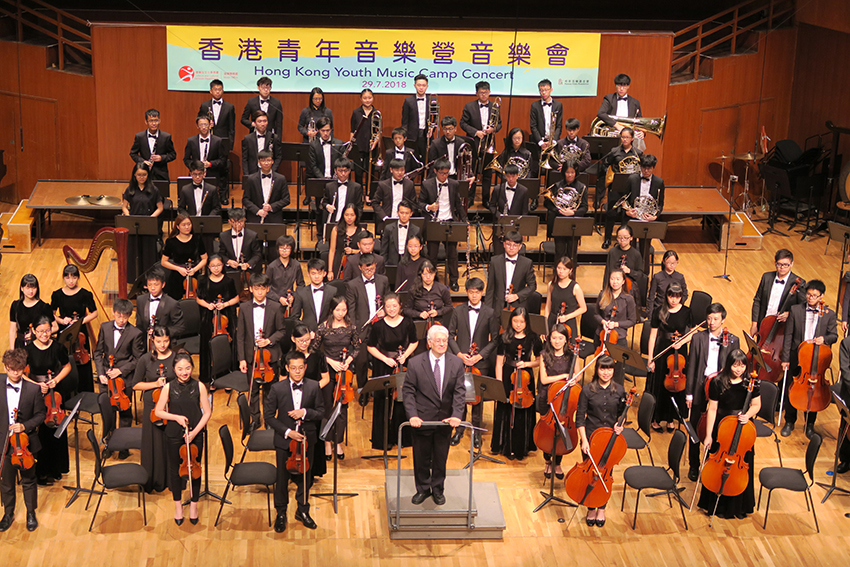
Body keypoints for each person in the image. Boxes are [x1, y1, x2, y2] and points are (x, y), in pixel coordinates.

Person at [402, 324, 466, 506]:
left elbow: (459, 392)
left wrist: (457, 415)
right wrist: (412, 415)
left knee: (440, 458)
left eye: (444, 340)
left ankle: (438, 489)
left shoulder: (456, 363)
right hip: (421, 420)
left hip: (445, 420)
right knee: (421, 457)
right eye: (438, 340)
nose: (442, 344)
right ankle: (422, 489)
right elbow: (408, 391)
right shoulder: (415, 363)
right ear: (429, 342)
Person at [697, 349, 761, 520]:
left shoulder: (751, 382)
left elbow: (756, 404)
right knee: (717, 465)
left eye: (742, 366)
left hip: (743, 428)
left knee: (742, 465)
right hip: (722, 428)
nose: (739, 369)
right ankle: (714, 504)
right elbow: (712, 409)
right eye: (735, 365)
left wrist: (747, 415)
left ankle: (739, 506)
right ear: (729, 365)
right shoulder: (718, 382)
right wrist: (708, 435)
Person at [265, 350, 325, 533]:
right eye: (293, 368)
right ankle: (281, 513)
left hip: (307, 439)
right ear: (287, 368)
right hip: (285, 441)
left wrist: (305, 412)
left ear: (305, 367)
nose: (297, 372)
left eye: (300, 368)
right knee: (282, 478)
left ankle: (302, 510)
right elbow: (269, 416)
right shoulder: (277, 388)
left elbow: (321, 412)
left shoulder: (314, 386)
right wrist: (288, 432)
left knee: (306, 477)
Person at [155, 351, 211, 526]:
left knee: (195, 469)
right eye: (180, 369)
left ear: (192, 368)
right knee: (175, 471)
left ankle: (194, 506)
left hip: (195, 433)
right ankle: (178, 506)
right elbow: (158, 411)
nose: (184, 372)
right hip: (174, 433)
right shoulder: (168, 387)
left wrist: (194, 433)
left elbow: (207, 413)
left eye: (187, 368)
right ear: (174, 369)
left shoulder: (199, 386)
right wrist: (176, 418)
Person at [685, 303, 740, 480]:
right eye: (709, 318)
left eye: (716, 319)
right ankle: (694, 465)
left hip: (721, 387)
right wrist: (689, 393)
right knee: (695, 427)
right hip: (701, 385)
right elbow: (692, 366)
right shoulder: (698, 338)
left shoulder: (733, 340)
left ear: (723, 320)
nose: (712, 322)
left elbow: (734, 368)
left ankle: (712, 463)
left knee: (718, 428)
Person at [780, 279, 838, 438]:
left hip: (816, 360)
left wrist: (824, 339)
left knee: (814, 390)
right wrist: (785, 358)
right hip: (797, 357)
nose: (811, 298)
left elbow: (834, 335)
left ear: (822, 296)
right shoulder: (795, 310)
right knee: (791, 389)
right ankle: (789, 421)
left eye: (814, 296)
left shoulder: (829, 314)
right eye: (809, 295)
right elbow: (788, 336)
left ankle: (810, 424)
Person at [575, 354, 626, 527]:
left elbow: (622, 414)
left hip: (610, 438)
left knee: (607, 474)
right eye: (603, 368)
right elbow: (580, 418)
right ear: (597, 370)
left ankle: (602, 507)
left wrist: (620, 425)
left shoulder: (619, 390)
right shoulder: (587, 390)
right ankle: (591, 507)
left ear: (613, 370)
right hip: (591, 437)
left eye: (609, 368)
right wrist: (584, 441)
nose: (606, 372)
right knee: (590, 474)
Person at [448, 277, 499, 448]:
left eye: (477, 292)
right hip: (460, 361)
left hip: (479, 363)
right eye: (471, 292)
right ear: (467, 292)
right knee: (460, 397)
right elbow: (450, 334)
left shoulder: (490, 312)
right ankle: (459, 429)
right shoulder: (458, 310)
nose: (474, 295)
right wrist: (459, 354)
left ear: (482, 293)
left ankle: (476, 432)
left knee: (477, 400)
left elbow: (495, 339)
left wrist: (480, 356)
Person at [24, 315, 74, 486]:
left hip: (55, 392)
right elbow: (22, 373)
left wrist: (56, 380)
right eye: (40, 331)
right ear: (34, 331)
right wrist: (37, 385)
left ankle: (56, 468)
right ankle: (41, 471)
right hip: (37, 392)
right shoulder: (28, 349)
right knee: (41, 432)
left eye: (47, 331)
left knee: (57, 428)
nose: (44, 334)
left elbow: (67, 366)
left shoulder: (58, 347)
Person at [0, 348, 45, 532]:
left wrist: (24, 426)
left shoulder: (33, 389)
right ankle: (8, 513)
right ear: (5, 367)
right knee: (6, 481)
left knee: (29, 480)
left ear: (24, 368)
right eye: (11, 369)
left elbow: (41, 415)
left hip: (25, 444)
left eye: (19, 369)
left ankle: (31, 513)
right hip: (3, 443)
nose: (15, 373)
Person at [310, 295, 360, 459]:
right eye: (338, 309)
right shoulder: (323, 327)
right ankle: (326, 441)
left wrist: (348, 361)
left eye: (344, 310)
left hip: (345, 372)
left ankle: (338, 442)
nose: (341, 313)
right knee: (327, 406)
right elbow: (314, 350)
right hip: (327, 370)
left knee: (342, 408)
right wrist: (330, 361)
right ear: (332, 309)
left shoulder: (351, 328)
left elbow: (356, 348)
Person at [93, 298, 144, 458]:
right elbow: (98, 353)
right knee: (108, 413)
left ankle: (124, 447)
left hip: (124, 379)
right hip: (105, 378)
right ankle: (109, 444)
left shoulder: (135, 333)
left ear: (130, 315)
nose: (121, 320)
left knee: (125, 414)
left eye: (125, 316)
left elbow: (138, 359)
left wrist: (120, 371)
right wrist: (100, 373)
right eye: (119, 315)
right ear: (113, 312)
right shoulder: (104, 327)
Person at [366, 293, 418, 451]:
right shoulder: (378, 326)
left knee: (402, 400)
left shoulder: (408, 323)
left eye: (394, 306)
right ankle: (382, 439)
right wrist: (385, 359)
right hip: (384, 364)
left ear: (400, 306)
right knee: (383, 401)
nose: (392, 309)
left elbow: (414, 342)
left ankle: (401, 437)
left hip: (403, 364)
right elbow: (370, 347)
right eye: (388, 306)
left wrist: (405, 356)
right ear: (384, 307)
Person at [237, 274, 287, 426]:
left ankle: (269, 420)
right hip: (251, 355)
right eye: (256, 289)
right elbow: (240, 335)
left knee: (269, 391)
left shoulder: (276, 307)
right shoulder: (244, 308)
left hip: (269, 356)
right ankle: (255, 420)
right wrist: (242, 359)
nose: (259, 292)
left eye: (262, 289)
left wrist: (268, 340)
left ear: (268, 289)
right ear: (251, 289)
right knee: (252, 391)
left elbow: (282, 330)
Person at [492, 307, 541, 460]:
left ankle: (522, 447)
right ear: (511, 321)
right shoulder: (504, 337)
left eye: (521, 322)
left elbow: (539, 361)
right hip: (509, 376)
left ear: (526, 322)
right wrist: (499, 385)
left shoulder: (533, 338)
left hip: (525, 378)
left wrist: (526, 364)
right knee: (506, 409)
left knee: (523, 410)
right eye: (515, 321)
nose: (518, 325)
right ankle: (506, 446)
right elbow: (499, 363)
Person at [132, 325, 176, 493]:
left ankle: (171, 479)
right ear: (153, 341)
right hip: (152, 407)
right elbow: (136, 385)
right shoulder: (145, 359)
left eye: (165, 341)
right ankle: (153, 479)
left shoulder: (176, 358)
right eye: (158, 341)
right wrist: (155, 384)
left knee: (169, 442)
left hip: (172, 405)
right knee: (154, 443)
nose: (162, 345)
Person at [646, 284, 692, 432]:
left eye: (677, 297)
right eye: (671, 296)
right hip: (663, 349)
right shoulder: (659, 311)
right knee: (660, 384)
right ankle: (656, 419)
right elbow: (653, 336)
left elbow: (693, 333)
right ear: (666, 296)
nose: (674, 300)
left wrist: (682, 342)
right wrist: (650, 358)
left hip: (679, 351)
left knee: (676, 385)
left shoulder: (687, 312)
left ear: (681, 297)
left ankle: (671, 418)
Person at [286, 325, 330, 474]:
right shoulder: (288, 357)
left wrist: (311, 390)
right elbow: (282, 380)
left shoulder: (318, 356)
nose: (304, 344)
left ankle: (312, 471)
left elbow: (326, 378)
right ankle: (292, 468)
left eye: (306, 340)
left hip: (312, 400)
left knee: (313, 436)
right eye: (300, 341)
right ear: (293, 339)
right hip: (293, 399)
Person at [419, 158, 467, 291]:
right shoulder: (427, 184)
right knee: (432, 255)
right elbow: (420, 203)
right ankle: (432, 279)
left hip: (449, 221)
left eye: (447, 173)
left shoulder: (454, 184)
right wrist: (429, 207)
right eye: (442, 173)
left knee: (452, 254)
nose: (444, 176)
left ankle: (454, 280)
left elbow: (458, 204)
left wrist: (465, 220)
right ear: (435, 171)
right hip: (434, 222)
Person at [538, 323, 578, 479]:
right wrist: (563, 377)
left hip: (564, 399)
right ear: (549, 339)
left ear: (566, 339)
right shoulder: (544, 355)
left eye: (560, 338)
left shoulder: (572, 355)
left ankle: (558, 463)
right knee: (548, 431)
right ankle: (548, 461)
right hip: (547, 397)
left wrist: (573, 379)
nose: (557, 341)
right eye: (554, 338)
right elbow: (544, 379)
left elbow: (577, 375)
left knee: (562, 430)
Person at [346, 252, 390, 390]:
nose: (370, 272)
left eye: (372, 269)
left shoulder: (383, 280)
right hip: (362, 328)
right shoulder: (352, 285)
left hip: (380, 326)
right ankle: (363, 390)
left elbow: (388, 300)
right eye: (367, 270)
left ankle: (378, 389)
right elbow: (351, 311)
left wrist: (385, 311)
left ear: (376, 266)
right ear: (360, 267)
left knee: (380, 360)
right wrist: (355, 332)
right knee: (361, 362)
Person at [51, 265, 98, 392]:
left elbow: (94, 313)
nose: (71, 281)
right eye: (67, 278)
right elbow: (52, 314)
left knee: (83, 360)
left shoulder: (85, 294)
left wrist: (81, 321)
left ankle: (85, 391)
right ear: (63, 278)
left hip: (80, 331)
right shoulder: (57, 295)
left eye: (74, 277)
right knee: (64, 358)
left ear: (78, 278)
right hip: (64, 330)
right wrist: (62, 320)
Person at [195, 255, 238, 384]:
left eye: (218, 265)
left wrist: (225, 304)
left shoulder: (229, 281)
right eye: (213, 266)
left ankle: (228, 377)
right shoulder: (203, 281)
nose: (216, 268)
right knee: (208, 347)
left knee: (227, 346)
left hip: (226, 318)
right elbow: (198, 299)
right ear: (208, 267)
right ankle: (210, 377)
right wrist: (207, 305)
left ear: (223, 265)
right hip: (208, 318)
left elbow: (236, 298)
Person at [460, 81, 502, 208]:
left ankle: (486, 200)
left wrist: (493, 129)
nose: (483, 94)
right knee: (471, 171)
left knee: (487, 173)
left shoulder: (495, 107)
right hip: (474, 142)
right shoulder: (469, 106)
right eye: (481, 92)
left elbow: (499, 124)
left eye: (486, 92)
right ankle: (470, 198)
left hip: (489, 143)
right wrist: (475, 132)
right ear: (476, 93)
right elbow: (463, 123)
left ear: (489, 92)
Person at [121, 163, 164, 282]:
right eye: (139, 175)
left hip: (148, 226)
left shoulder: (154, 190)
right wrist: (128, 217)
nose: (141, 177)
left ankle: (148, 280)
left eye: (144, 175)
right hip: (133, 226)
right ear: (134, 175)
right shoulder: (130, 189)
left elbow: (160, 208)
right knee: (133, 253)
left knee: (148, 253)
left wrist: (150, 219)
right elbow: (124, 206)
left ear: (148, 175)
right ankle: (133, 280)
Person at [749, 248, 806, 338]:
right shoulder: (766, 277)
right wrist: (754, 324)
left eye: (786, 265)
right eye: (779, 264)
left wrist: (789, 314)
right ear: (775, 263)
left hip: (782, 329)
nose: (782, 267)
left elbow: (803, 307)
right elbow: (757, 300)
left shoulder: (799, 283)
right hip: (763, 325)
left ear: (792, 264)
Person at [601, 128, 643, 248]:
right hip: (616, 186)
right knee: (611, 213)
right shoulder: (614, 151)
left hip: (630, 188)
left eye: (627, 137)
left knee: (626, 214)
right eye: (623, 137)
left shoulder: (638, 153)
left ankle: (624, 240)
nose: (624, 139)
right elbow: (605, 164)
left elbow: (639, 169)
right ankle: (607, 239)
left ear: (632, 138)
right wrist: (611, 175)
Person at [594, 269, 637, 386]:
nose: (615, 282)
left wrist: (616, 324)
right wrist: (603, 322)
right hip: (602, 336)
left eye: (618, 279)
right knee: (600, 368)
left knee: (618, 371)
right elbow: (596, 314)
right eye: (612, 279)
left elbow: (632, 320)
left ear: (623, 281)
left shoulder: (628, 299)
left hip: (619, 339)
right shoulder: (603, 294)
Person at [484, 231, 541, 313]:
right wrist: (487, 311)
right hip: (498, 306)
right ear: (504, 244)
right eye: (508, 244)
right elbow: (490, 289)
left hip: (517, 307)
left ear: (520, 246)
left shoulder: (526, 263)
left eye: (515, 245)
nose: (511, 248)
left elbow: (532, 286)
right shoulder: (495, 261)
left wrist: (517, 296)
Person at [544, 161, 589, 262]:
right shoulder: (557, 186)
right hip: (559, 221)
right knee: (559, 252)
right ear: (563, 172)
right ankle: (558, 271)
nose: (570, 175)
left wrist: (573, 213)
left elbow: (584, 207)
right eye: (567, 172)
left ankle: (572, 271)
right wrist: (559, 210)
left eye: (572, 172)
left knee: (572, 253)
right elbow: (547, 204)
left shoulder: (582, 188)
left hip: (574, 222)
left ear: (576, 173)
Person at [160, 210, 208, 301]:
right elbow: (163, 262)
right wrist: (178, 269)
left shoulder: (197, 239)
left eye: (189, 224)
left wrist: (194, 269)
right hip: (177, 276)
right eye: (184, 225)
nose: (187, 227)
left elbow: (204, 258)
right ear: (178, 226)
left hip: (194, 274)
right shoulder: (171, 242)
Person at [135, 267, 185, 348]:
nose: (152, 288)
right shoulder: (141, 300)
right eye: (149, 285)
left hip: (165, 344)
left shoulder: (172, 303)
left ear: (163, 284)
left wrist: (161, 332)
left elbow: (180, 328)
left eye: (156, 284)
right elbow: (139, 325)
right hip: (145, 344)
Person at [597, 73, 644, 149]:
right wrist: (616, 125)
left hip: (628, 139)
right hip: (612, 137)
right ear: (615, 86)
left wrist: (642, 132)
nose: (621, 89)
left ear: (628, 86)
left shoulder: (635, 102)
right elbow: (600, 113)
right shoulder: (609, 98)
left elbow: (640, 122)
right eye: (619, 85)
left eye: (624, 86)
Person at [243, 149, 290, 224]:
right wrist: (257, 211)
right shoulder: (251, 179)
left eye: (268, 160)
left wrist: (271, 207)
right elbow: (245, 200)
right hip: (255, 217)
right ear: (259, 162)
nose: (266, 163)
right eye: (263, 161)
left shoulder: (281, 179)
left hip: (274, 217)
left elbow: (286, 199)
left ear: (272, 161)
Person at [544, 257, 586, 339]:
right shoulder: (551, 285)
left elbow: (583, 308)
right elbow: (548, 306)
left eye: (564, 269)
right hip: (552, 321)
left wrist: (567, 317)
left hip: (568, 323)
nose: (561, 271)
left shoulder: (575, 287)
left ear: (570, 270)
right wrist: (545, 327)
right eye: (559, 268)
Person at [182, 115, 227, 192]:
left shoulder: (218, 141)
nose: (203, 127)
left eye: (206, 124)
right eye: (201, 125)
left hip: (212, 174)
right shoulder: (191, 141)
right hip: (196, 176)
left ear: (210, 125)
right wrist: (196, 167)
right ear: (197, 126)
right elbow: (186, 159)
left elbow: (222, 160)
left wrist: (210, 164)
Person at [9, 274, 54, 350]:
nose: (31, 291)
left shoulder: (44, 307)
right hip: (20, 344)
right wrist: (12, 351)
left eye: (33, 288)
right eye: (28, 288)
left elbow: (55, 327)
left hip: (38, 344)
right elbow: (12, 330)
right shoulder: (15, 305)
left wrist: (37, 333)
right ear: (22, 288)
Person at [321, 158, 363, 239]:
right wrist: (327, 206)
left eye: (345, 171)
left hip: (350, 223)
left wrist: (355, 221)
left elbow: (359, 207)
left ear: (349, 171)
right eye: (340, 171)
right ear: (335, 171)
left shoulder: (356, 187)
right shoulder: (329, 186)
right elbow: (324, 202)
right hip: (334, 221)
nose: (343, 174)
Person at [603, 224, 644, 307]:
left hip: (629, 290)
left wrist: (629, 271)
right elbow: (607, 272)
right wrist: (605, 291)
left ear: (631, 238)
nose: (622, 240)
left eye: (626, 238)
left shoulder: (636, 254)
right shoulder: (612, 252)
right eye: (619, 237)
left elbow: (640, 275)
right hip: (613, 287)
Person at [129, 108, 175, 181]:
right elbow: (133, 153)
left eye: (156, 120)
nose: (154, 123)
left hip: (161, 175)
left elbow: (173, 155)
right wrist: (142, 161)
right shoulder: (139, 137)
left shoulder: (166, 137)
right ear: (146, 122)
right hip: (144, 174)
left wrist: (161, 158)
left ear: (159, 121)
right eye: (151, 121)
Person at [403, 260, 452, 327]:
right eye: (425, 274)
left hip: (438, 324)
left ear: (435, 274)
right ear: (421, 274)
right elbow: (406, 310)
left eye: (431, 274)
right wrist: (419, 314)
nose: (428, 277)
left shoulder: (442, 289)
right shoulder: (413, 290)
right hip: (420, 323)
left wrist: (438, 312)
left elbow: (449, 307)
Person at [291, 259, 337, 330]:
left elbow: (336, 314)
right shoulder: (301, 292)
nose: (317, 276)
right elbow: (294, 317)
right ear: (308, 274)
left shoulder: (332, 291)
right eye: (313, 273)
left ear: (324, 274)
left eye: (319, 273)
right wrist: (305, 331)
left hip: (328, 332)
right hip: (308, 333)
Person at [349, 88, 380, 187]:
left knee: (370, 172)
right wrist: (352, 145)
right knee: (358, 172)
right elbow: (352, 130)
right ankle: (358, 193)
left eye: (369, 98)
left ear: (373, 98)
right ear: (361, 99)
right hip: (358, 146)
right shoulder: (356, 112)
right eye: (365, 98)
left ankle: (368, 192)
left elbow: (378, 132)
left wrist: (375, 143)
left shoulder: (376, 113)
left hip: (371, 147)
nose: (367, 100)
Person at [373, 161, 417, 230]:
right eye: (397, 170)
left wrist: (408, 215)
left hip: (405, 221)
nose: (400, 173)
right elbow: (375, 203)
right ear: (391, 170)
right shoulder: (383, 184)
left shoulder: (410, 184)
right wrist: (384, 217)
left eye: (402, 170)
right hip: (387, 220)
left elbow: (413, 203)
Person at [218, 207, 262, 275]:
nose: (238, 224)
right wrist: (228, 261)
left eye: (241, 221)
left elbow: (257, 254)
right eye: (235, 222)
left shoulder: (252, 235)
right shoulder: (223, 236)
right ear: (230, 221)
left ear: (245, 219)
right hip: (230, 270)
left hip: (248, 270)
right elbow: (221, 254)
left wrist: (248, 264)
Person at [401, 74, 435, 160]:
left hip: (426, 135)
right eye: (419, 85)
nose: (421, 88)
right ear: (415, 85)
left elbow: (435, 118)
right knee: (412, 160)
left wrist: (432, 128)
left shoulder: (432, 100)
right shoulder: (408, 101)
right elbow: (405, 121)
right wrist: (405, 136)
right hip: (412, 136)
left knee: (427, 159)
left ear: (427, 86)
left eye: (423, 85)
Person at [647, 250, 688, 321]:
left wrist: (677, 304)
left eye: (674, 263)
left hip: (675, 309)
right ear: (664, 262)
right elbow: (651, 297)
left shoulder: (680, 277)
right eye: (669, 262)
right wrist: (650, 316)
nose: (672, 265)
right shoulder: (657, 277)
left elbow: (685, 294)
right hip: (660, 308)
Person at [267, 235, 305, 311]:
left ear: (291, 249)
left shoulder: (296, 265)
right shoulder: (272, 267)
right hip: (274, 302)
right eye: (281, 248)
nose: (284, 251)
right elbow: (266, 288)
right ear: (278, 249)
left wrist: (293, 296)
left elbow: (301, 285)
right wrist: (279, 298)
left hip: (290, 301)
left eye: (287, 248)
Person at [530, 79, 563, 163]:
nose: (543, 93)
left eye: (546, 90)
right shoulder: (535, 106)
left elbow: (559, 125)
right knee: (537, 166)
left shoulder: (558, 105)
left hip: (553, 143)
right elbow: (533, 126)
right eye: (541, 90)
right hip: (540, 142)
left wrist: (553, 141)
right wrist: (541, 143)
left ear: (551, 90)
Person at [199, 79, 236, 154]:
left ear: (223, 91)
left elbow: (231, 128)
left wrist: (230, 145)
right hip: (208, 138)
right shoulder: (204, 105)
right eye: (215, 89)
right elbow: (198, 120)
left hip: (223, 140)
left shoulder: (229, 107)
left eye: (220, 89)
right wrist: (207, 123)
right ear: (211, 91)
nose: (218, 92)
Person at [624, 154, 665, 222]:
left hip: (649, 218)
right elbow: (624, 199)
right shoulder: (632, 179)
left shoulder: (659, 182)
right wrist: (627, 212)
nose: (646, 171)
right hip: (633, 217)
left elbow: (660, 203)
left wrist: (655, 216)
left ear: (653, 168)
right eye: (644, 168)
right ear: (640, 166)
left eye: (649, 168)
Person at [327, 204, 361, 281]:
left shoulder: (361, 231)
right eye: (346, 215)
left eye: (352, 215)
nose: (349, 218)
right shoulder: (336, 230)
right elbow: (332, 251)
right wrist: (330, 271)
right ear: (343, 215)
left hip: (355, 265)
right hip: (338, 262)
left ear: (356, 216)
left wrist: (353, 251)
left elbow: (364, 251)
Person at [241, 110, 282, 175]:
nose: (262, 124)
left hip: (270, 172)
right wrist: (246, 176)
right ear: (254, 123)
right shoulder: (248, 139)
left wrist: (272, 171)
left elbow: (278, 157)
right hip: (253, 173)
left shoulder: (274, 137)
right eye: (259, 121)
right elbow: (245, 159)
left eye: (265, 121)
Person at [381, 200, 420, 267]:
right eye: (401, 213)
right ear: (397, 213)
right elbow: (384, 250)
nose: (404, 215)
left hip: (409, 264)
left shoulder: (416, 230)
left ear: (411, 214)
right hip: (392, 263)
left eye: (407, 213)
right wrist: (385, 265)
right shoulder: (389, 228)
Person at [837, 333, 850, 473]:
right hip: (849, 393)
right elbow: (845, 372)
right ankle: (845, 459)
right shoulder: (846, 343)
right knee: (846, 429)